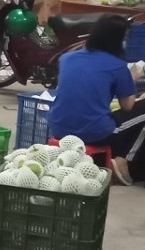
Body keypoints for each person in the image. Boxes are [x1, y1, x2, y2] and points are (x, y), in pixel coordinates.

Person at [48, 15, 145, 185]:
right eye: (125, 38)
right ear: (116, 40)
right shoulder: (117, 66)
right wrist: (133, 78)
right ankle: (123, 162)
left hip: (58, 128)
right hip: (94, 133)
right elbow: (128, 106)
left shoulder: (67, 58)